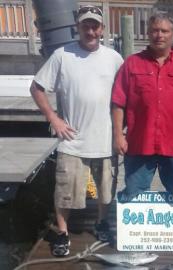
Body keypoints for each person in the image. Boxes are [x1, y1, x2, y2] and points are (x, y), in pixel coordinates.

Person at [30, 5, 123, 256]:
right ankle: (62, 232)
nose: (90, 31)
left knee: (106, 192)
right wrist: (53, 117)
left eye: (95, 26)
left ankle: (102, 223)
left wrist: (121, 131)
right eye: (86, 26)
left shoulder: (114, 58)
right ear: (78, 27)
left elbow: (126, 96)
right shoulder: (61, 55)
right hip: (71, 140)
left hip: (105, 140)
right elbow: (37, 87)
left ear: (102, 29)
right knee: (65, 194)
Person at [111, 13, 173, 200]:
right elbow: (118, 102)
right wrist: (118, 135)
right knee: (133, 195)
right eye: (154, 30)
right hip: (139, 142)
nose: (159, 35)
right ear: (148, 33)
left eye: (164, 31)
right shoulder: (131, 64)